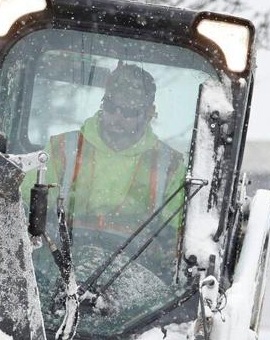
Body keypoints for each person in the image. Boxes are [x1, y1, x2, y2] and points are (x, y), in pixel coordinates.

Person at [25, 63, 187, 237]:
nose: (117, 117)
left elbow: (176, 237)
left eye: (128, 111)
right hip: (60, 259)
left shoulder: (170, 166)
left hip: (136, 262)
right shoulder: (62, 148)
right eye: (111, 107)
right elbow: (24, 204)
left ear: (149, 114)